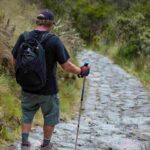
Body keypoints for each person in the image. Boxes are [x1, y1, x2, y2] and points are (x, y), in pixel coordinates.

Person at [12, 9, 90, 150]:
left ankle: (24, 143)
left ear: (37, 22)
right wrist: (81, 71)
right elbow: (66, 65)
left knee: (27, 113)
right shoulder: (54, 40)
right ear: (51, 24)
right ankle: (45, 145)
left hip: (27, 87)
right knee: (50, 116)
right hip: (48, 89)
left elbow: (14, 60)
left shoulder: (24, 37)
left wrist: (25, 75)